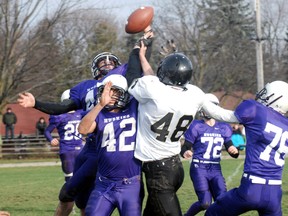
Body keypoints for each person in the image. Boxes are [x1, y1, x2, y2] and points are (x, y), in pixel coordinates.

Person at [17, 27, 154, 216]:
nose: (106, 64)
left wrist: (145, 42)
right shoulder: (85, 88)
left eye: (110, 61)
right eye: (102, 61)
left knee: (71, 193)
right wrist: (36, 103)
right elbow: (63, 107)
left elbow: (137, 61)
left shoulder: (123, 80)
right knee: (79, 198)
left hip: (111, 147)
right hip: (90, 145)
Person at [126, 41, 237, 216]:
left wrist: (135, 52)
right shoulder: (194, 93)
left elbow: (133, 77)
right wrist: (246, 116)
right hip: (175, 167)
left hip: (158, 171)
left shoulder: (153, 89)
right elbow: (220, 113)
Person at [204, 80, 288, 216]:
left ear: (274, 97)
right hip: (275, 192)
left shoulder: (257, 110)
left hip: (251, 188)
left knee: (213, 213)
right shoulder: (286, 124)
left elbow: (222, 115)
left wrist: (199, 100)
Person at [78, 74, 142, 216]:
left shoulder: (134, 107)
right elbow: (82, 129)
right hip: (103, 184)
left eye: (116, 91)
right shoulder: (98, 113)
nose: (111, 94)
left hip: (130, 185)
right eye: (107, 91)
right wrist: (100, 105)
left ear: (124, 93)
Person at [180, 93, 239, 216]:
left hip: (215, 168)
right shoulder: (196, 125)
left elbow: (229, 146)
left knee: (222, 200)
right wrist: (186, 151)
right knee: (205, 203)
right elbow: (185, 146)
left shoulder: (224, 127)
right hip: (199, 168)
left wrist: (234, 150)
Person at [44, 89, 84, 182]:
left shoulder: (80, 112)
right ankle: (69, 196)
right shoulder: (59, 115)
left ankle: (81, 196)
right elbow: (47, 131)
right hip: (67, 150)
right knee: (69, 177)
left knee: (82, 176)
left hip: (80, 148)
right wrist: (51, 139)